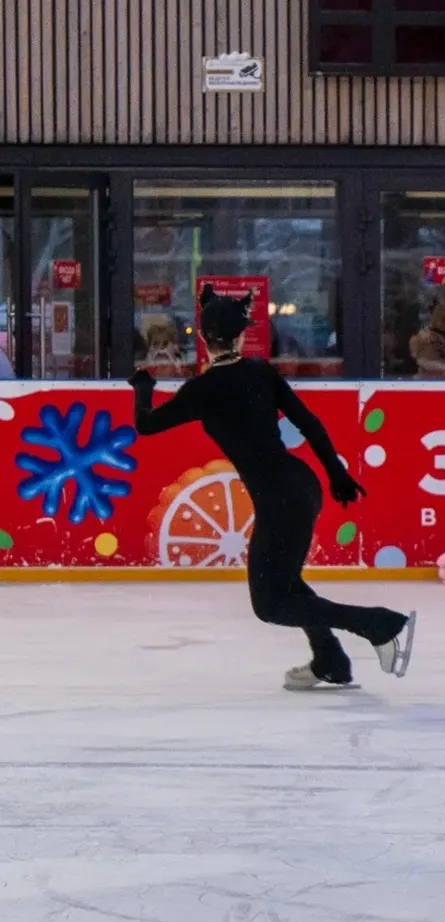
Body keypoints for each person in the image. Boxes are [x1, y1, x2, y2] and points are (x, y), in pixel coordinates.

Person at [130, 284, 417, 690]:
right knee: (285, 582)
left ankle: (378, 625)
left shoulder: (203, 390)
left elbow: (146, 424)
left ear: (205, 339)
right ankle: (330, 659)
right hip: (302, 484)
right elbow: (309, 423)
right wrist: (335, 473)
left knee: (270, 605)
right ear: (240, 336)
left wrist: (143, 387)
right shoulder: (260, 371)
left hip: (279, 499)